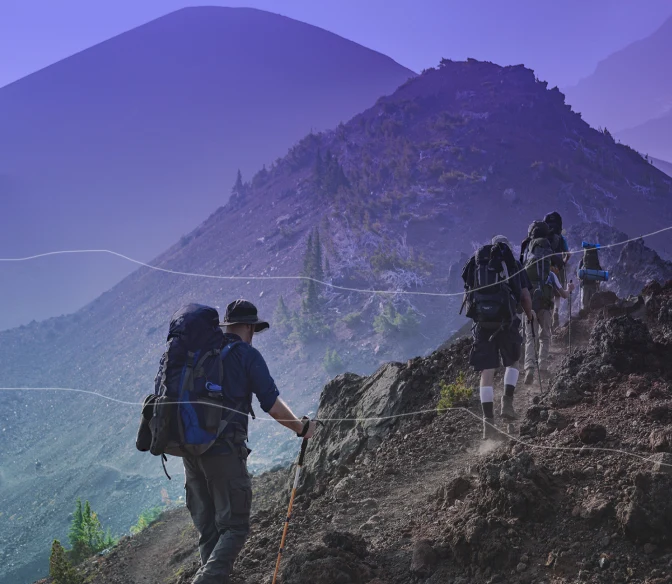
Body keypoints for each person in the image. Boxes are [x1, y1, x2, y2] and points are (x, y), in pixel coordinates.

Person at [183, 299, 316, 584]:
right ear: (249, 327)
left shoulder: (202, 352)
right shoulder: (246, 355)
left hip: (190, 451)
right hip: (223, 452)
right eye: (253, 328)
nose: (253, 334)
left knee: (210, 532)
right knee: (235, 528)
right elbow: (272, 405)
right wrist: (301, 427)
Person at [462, 236, 533, 440]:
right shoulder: (513, 264)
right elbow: (525, 296)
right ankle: (507, 402)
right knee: (513, 362)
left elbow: (467, 295)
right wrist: (529, 315)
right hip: (507, 322)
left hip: (482, 325)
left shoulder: (475, 265)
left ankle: (488, 423)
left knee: (487, 371)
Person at [522, 254, 575, 385]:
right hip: (545, 309)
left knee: (530, 338)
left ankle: (529, 368)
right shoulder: (551, 275)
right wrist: (569, 289)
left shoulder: (526, 273)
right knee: (544, 337)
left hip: (530, 309)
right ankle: (543, 366)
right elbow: (563, 295)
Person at [543, 212, 570, 330]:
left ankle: (548, 315)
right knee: (558, 293)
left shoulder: (543, 239)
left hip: (545, 268)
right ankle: (556, 312)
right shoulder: (561, 238)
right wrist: (563, 262)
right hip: (558, 268)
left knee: (548, 292)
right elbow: (568, 253)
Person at [578, 243, 603, 315]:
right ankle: (592, 315)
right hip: (593, 284)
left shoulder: (584, 259)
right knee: (593, 301)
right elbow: (600, 269)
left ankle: (584, 315)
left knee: (585, 302)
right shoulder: (595, 260)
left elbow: (579, 269)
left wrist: (579, 276)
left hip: (585, 283)